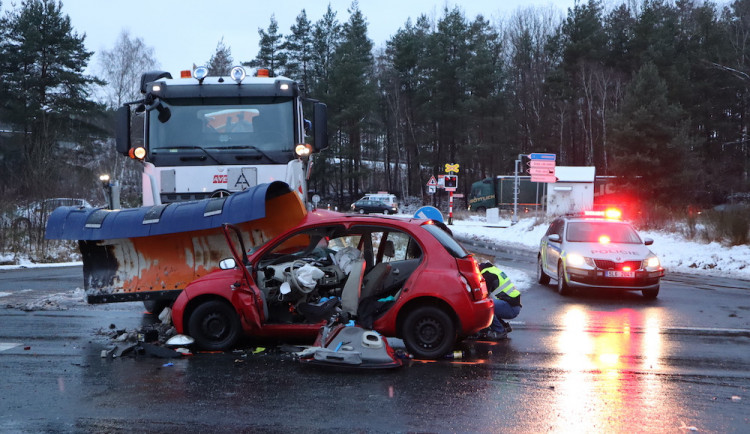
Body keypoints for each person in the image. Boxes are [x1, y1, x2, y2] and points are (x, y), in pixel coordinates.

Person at [477, 262, 521, 340]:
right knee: (490, 304)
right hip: (513, 305)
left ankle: (499, 331)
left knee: (486, 306)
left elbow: (482, 295)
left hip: (510, 306)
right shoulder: (493, 270)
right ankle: (504, 326)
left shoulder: (487, 275)